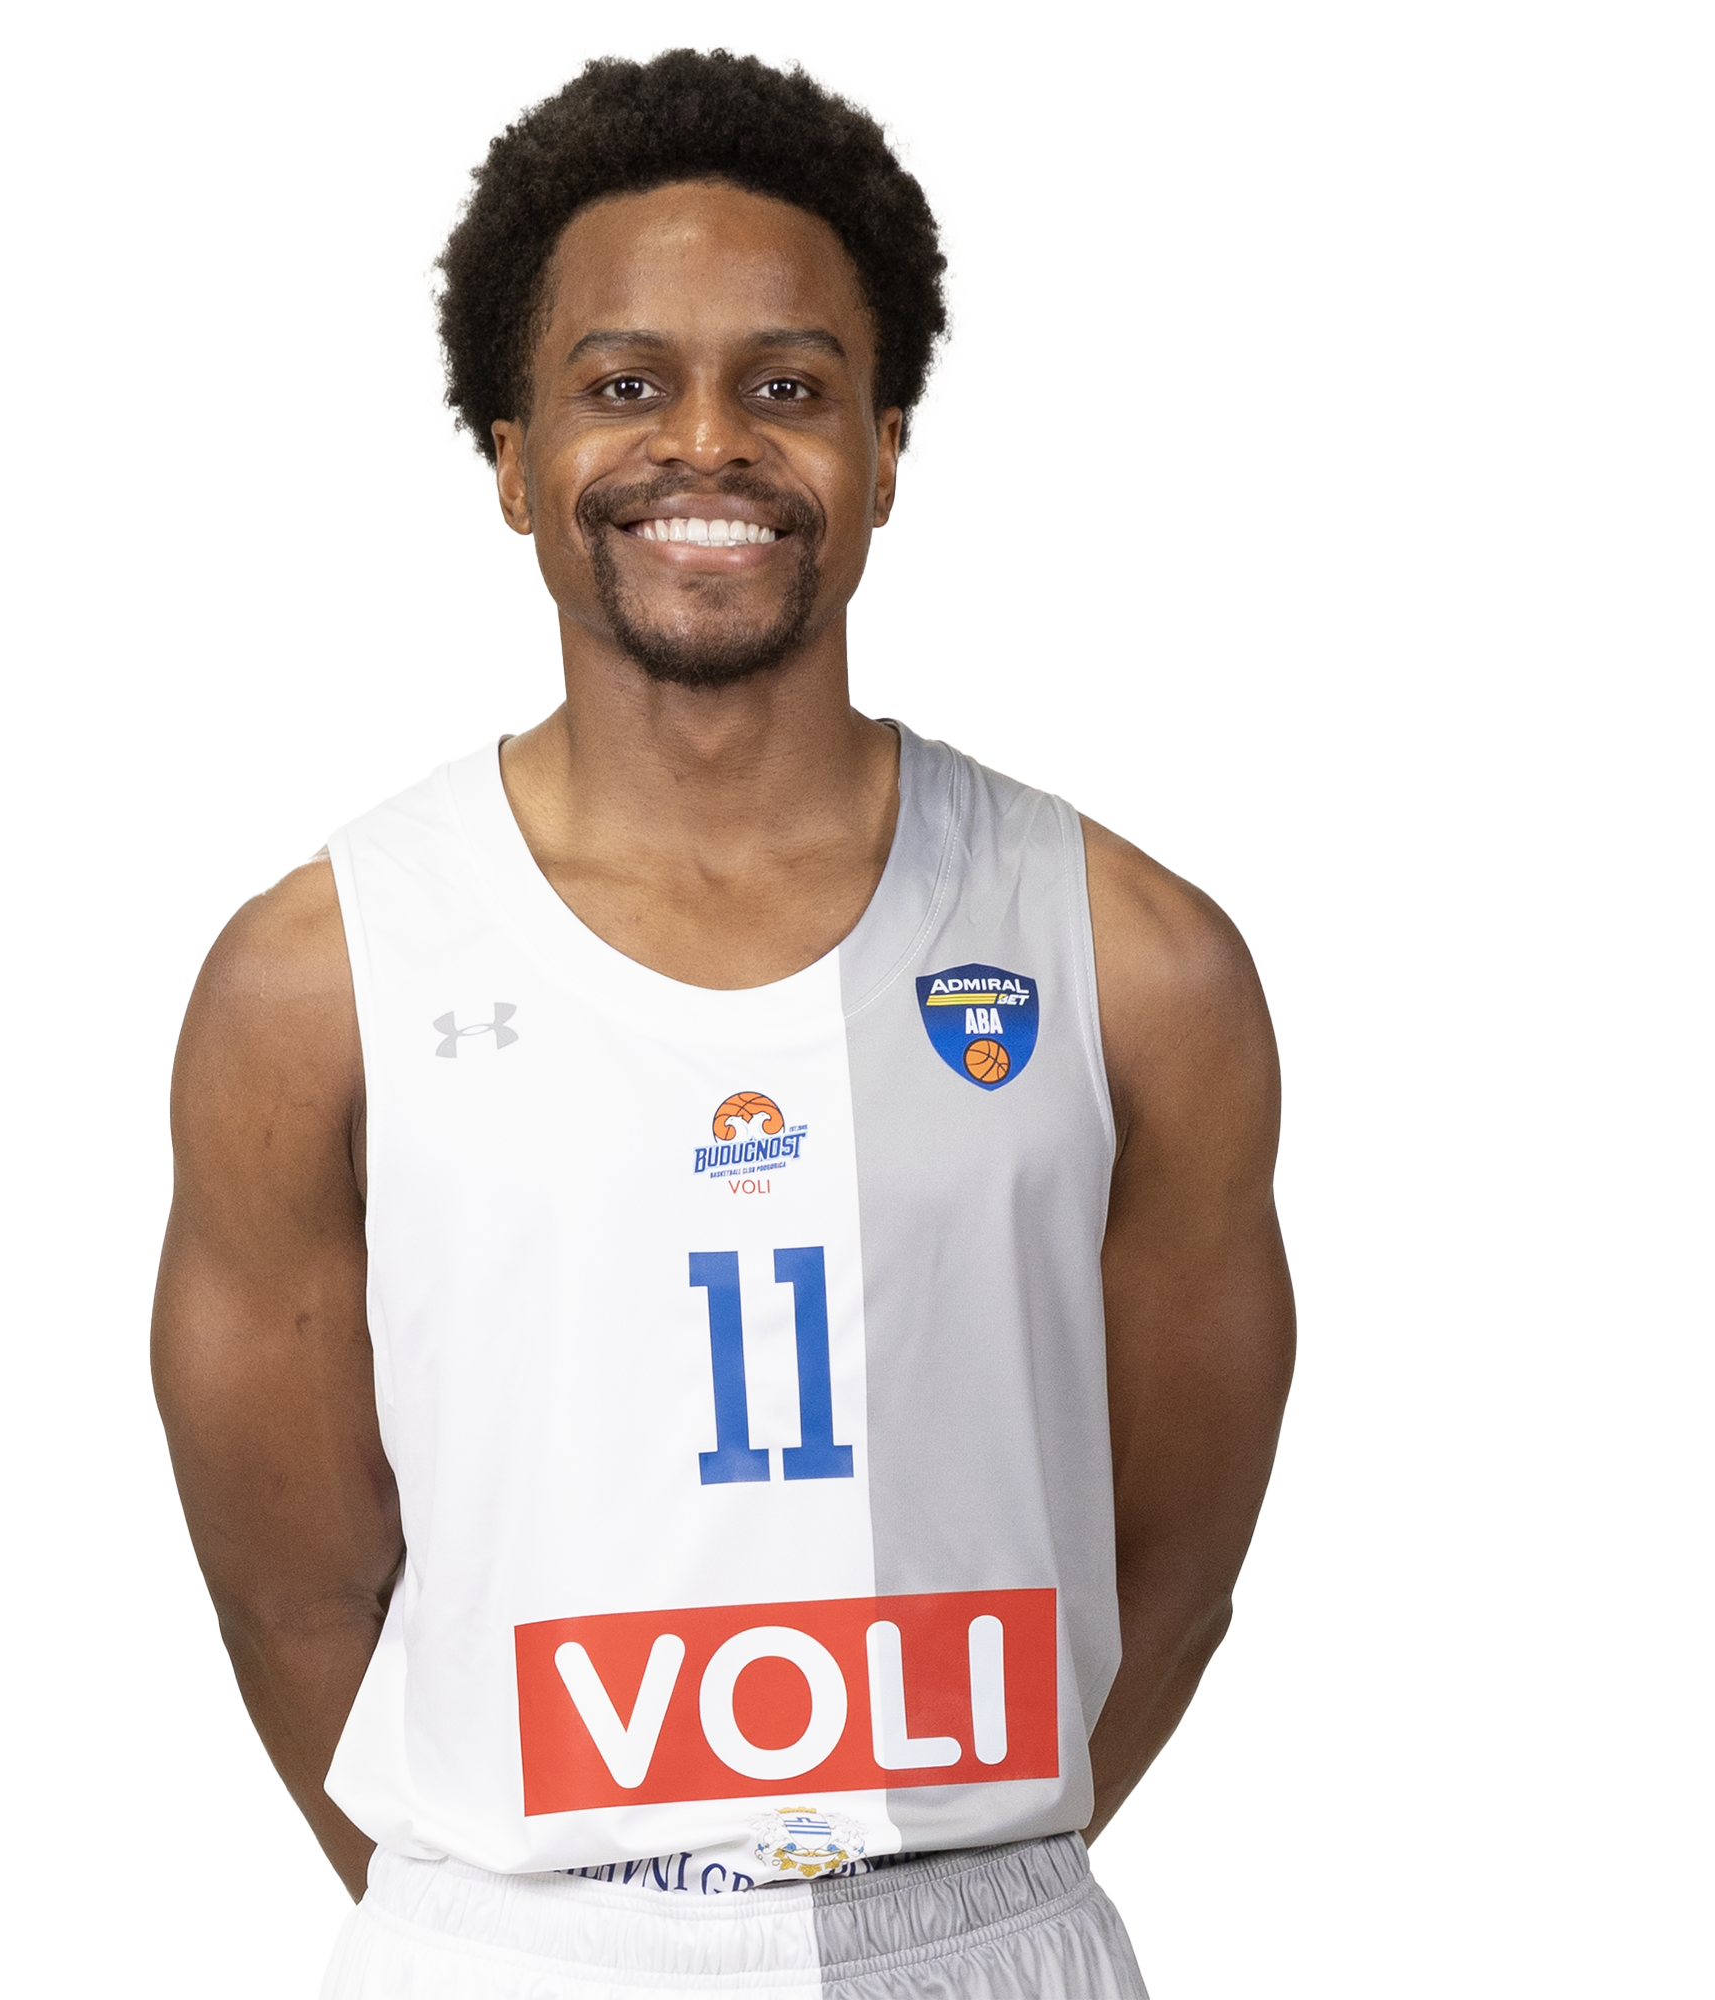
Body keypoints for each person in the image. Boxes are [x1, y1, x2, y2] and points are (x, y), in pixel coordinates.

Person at [153, 45, 1294, 2000]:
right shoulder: (317, 977)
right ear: (512, 458)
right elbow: (291, 1595)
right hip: (512, 1945)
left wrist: (931, 1891)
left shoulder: (1137, 960)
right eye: (624, 385)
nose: (707, 443)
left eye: (787, 386)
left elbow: (1173, 1573)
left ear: (883, 449)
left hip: (978, 1928)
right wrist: (550, 1912)